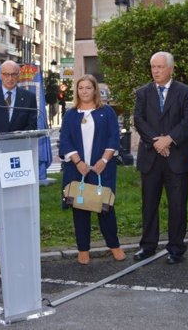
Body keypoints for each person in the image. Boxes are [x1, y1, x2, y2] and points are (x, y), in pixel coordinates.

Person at [133, 51, 188, 265]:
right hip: (151, 158)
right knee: (149, 205)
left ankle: (176, 249)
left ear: (171, 68)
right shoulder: (143, 93)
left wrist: (168, 139)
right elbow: (139, 120)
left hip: (176, 158)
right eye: (153, 67)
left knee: (177, 206)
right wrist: (156, 142)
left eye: (160, 67)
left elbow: (187, 122)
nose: (156, 71)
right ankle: (147, 246)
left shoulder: (185, 93)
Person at [59, 75, 125, 265]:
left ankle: (114, 246)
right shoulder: (71, 115)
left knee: (105, 208)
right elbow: (65, 140)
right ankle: (83, 250)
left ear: (95, 90)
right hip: (77, 170)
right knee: (80, 209)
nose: (85, 91)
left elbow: (114, 137)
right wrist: (78, 162)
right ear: (77, 91)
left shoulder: (107, 112)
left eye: (88, 88)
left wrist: (104, 160)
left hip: (101, 170)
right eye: (81, 88)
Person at [0, 60, 37, 259]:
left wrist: (19, 138)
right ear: (0, 76)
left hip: (20, 158)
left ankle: (18, 240)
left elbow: (32, 124)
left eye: (14, 74)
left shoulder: (28, 98)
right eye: (6, 74)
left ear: (19, 76)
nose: (10, 78)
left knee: (18, 202)